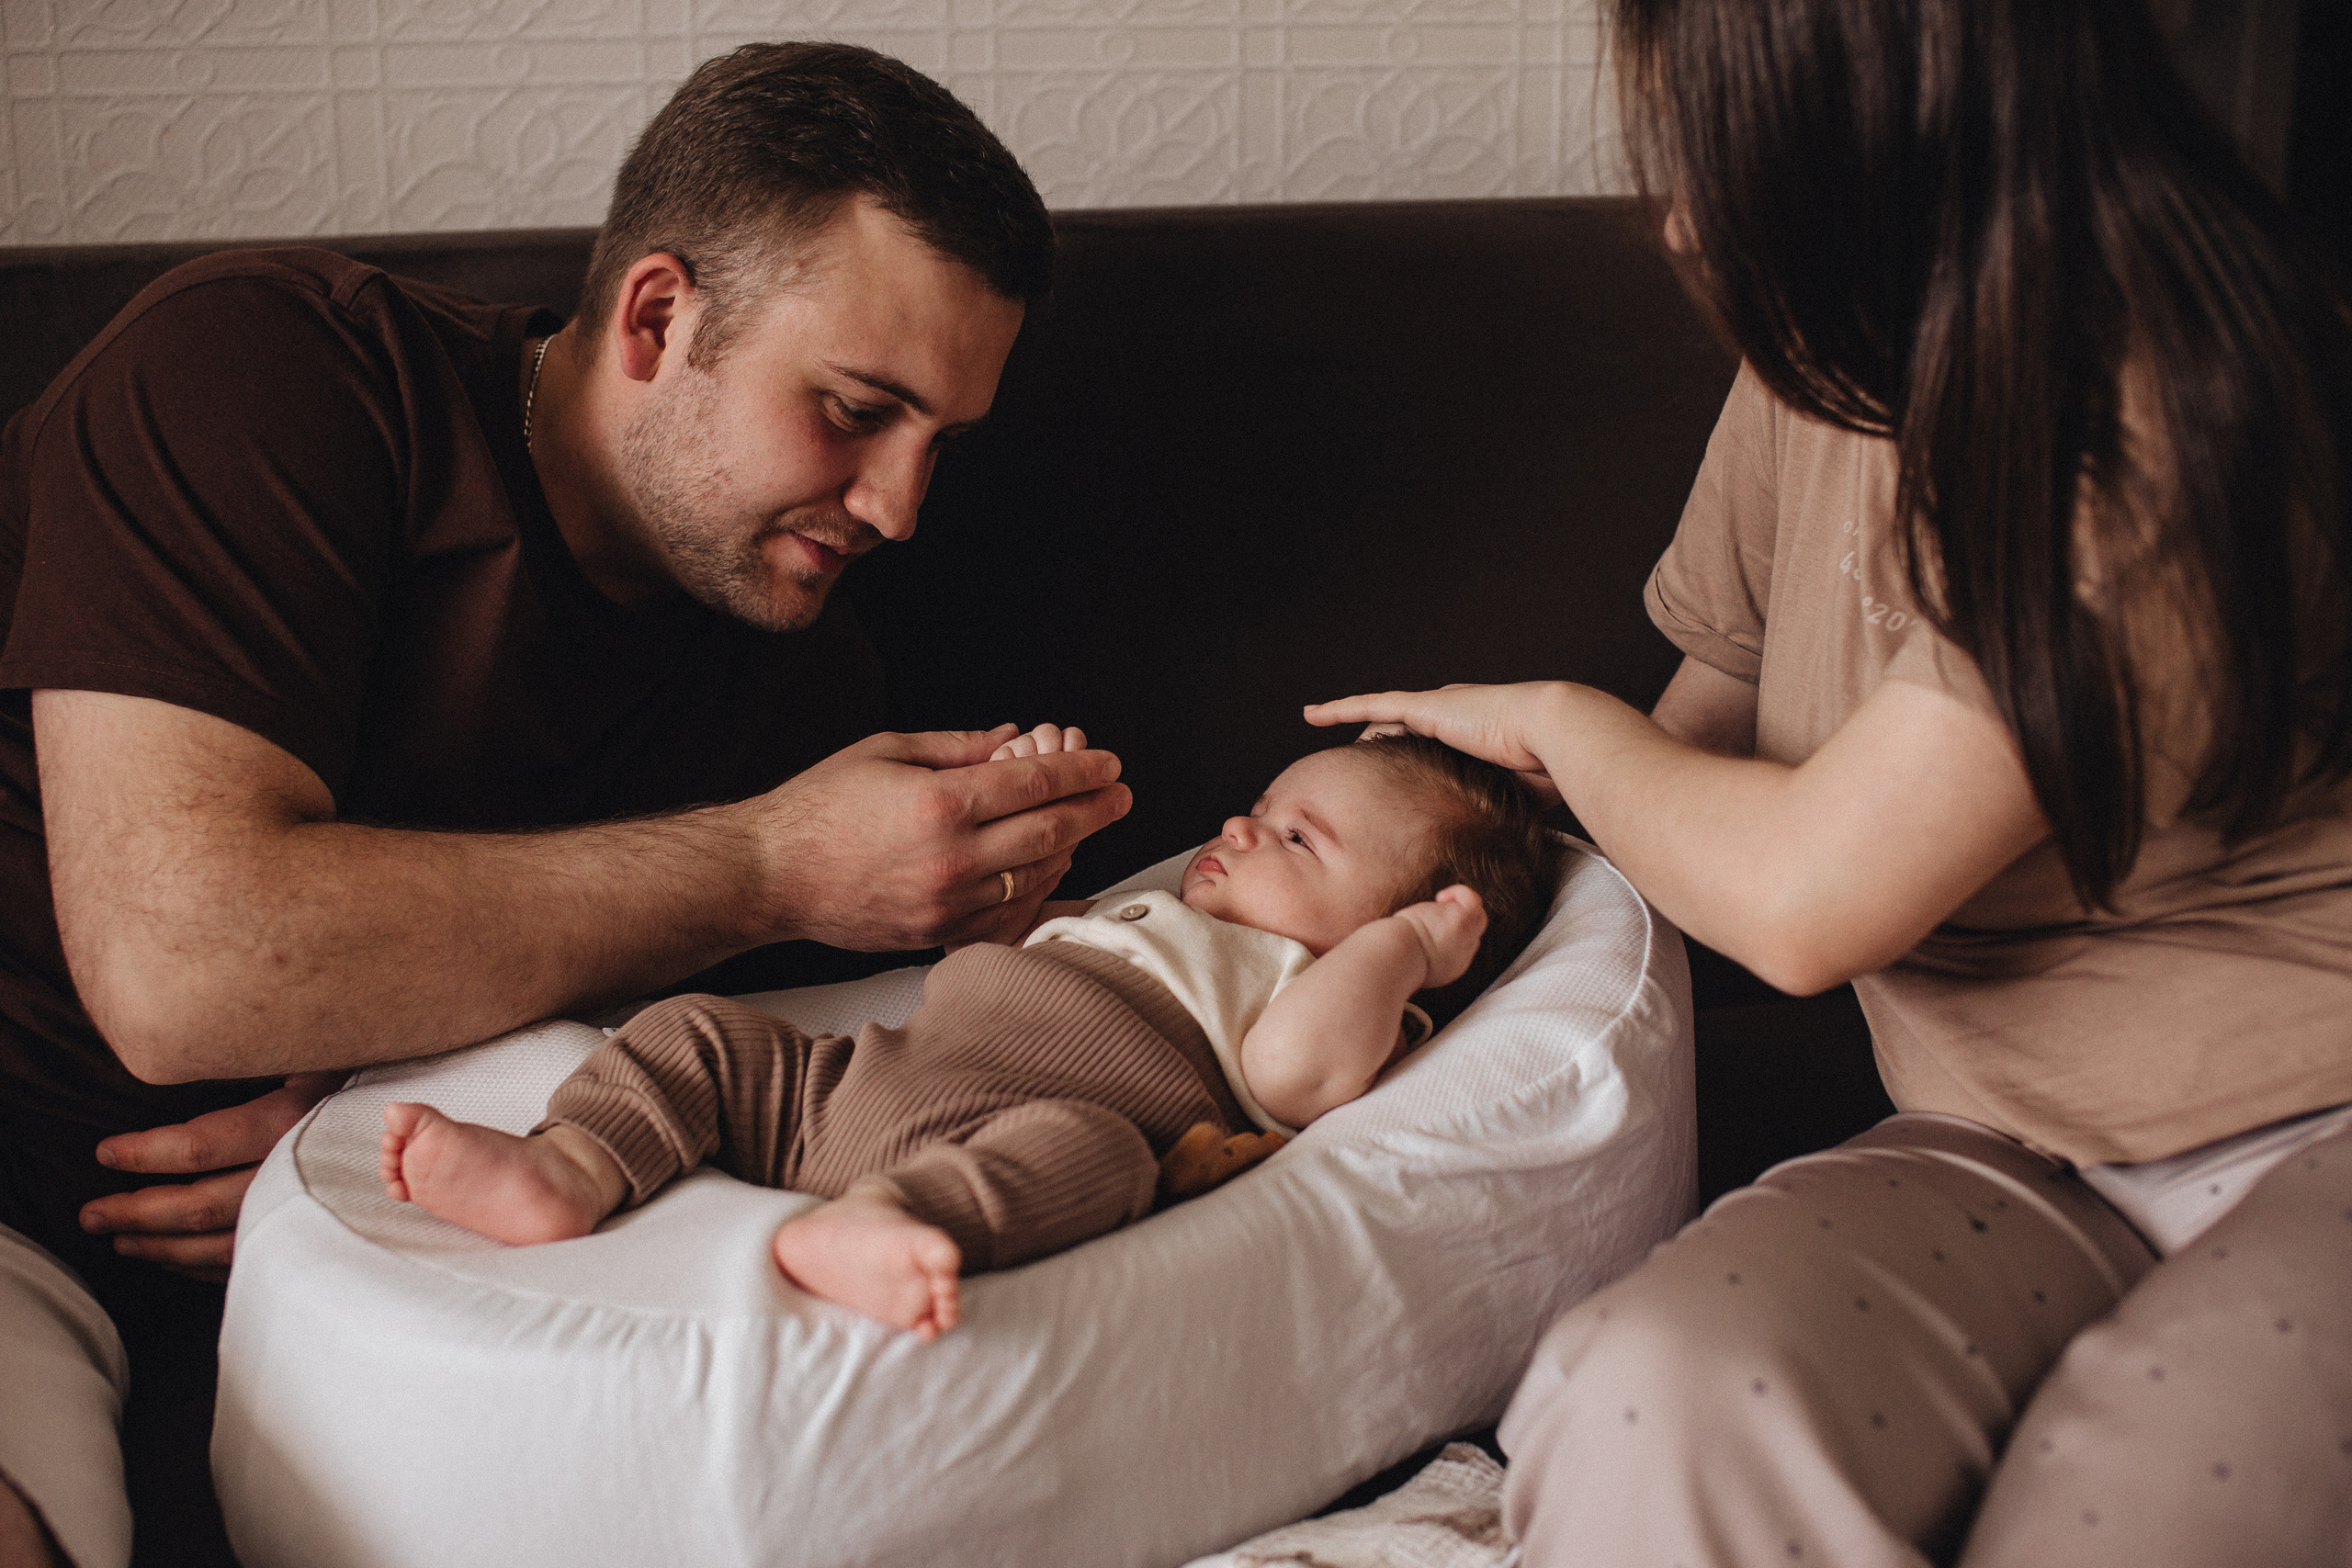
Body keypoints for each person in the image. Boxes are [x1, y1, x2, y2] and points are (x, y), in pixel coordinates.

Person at [0, 41, 1134, 1568]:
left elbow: (757, 1088)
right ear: (661, 318)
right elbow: (182, 966)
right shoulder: (272, 375)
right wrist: (767, 866)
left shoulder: (801, 672)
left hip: (403, 1271)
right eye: (857, 410)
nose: (898, 509)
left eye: (941, 442)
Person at [1309, 1, 2352, 1563]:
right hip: (2005, 1137)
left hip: (2312, 1113)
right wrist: (1430, 902)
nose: (1675, 215)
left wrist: (1558, 722)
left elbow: (1802, 905)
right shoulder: (1821, 361)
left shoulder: (2161, 412)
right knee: (1648, 1395)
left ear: (1874, 135)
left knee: (2135, 1503)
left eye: (1715, 154)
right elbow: (1705, 745)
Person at [376, 729, 1565, 1341]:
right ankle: (571, 1164)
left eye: (1301, 842)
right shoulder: (1149, 910)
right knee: (698, 1032)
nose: (1243, 832)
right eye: (1257, 810)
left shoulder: (1326, 998)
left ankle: (890, 1224)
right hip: (854, 1085)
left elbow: (1294, 1074)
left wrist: (1409, 948)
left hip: (1013, 1137)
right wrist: (1028, 848)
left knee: (1100, 1154)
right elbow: (974, 959)